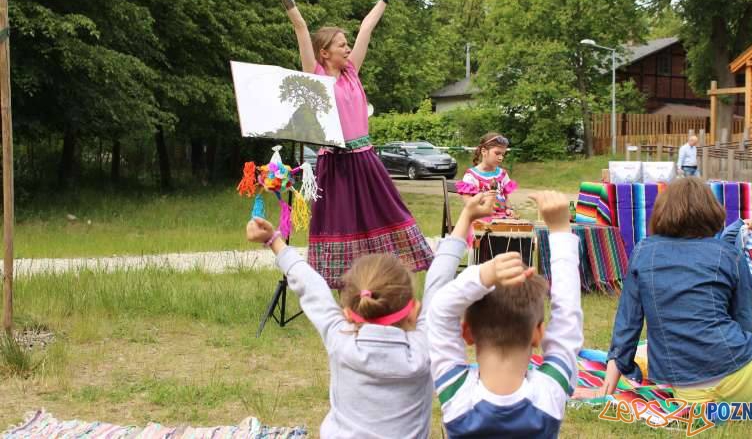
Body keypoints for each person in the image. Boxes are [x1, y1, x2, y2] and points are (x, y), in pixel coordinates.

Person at [246, 191, 496, 439]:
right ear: (414, 310)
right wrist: (466, 217)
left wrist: (274, 241)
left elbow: (312, 287)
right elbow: (439, 281)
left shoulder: (340, 339)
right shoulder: (423, 346)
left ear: (348, 313)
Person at [261, 0, 433, 289]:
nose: (348, 47)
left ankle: (381, 282)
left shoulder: (352, 70)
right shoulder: (316, 72)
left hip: (364, 158)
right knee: (339, 222)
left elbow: (367, 27)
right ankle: (340, 287)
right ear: (324, 53)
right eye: (341, 45)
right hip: (334, 161)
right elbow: (299, 26)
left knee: (382, 215)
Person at [602, 177, 752, 405]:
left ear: (661, 211)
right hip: (745, 383)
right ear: (712, 211)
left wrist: (607, 388)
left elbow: (627, 326)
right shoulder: (729, 254)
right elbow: (743, 322)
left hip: (690, 395)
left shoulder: (642, 252)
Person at [427, 191, 583, 438]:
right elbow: (569, 312)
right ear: (538, 334)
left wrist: (482, 275)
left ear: (466, 332)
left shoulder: (456, 394)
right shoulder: (550, 394)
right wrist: (561, 229)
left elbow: (439, 310)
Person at [456, 132, 518, 219]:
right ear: (484, 151)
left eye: (503, 154)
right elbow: (468, 204)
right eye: (497, 153)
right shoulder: (471, 176)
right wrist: (484, 197)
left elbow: (506, 198)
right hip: (479, 220)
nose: (501, 158)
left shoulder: (502, 174)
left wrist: (510, 209)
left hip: (502, 220)